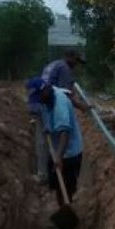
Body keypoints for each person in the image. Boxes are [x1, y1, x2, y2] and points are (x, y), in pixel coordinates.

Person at [27, 77, 83, 229]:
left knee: (66, 187)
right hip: (58, 150)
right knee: (59, 186)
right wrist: (47, 127)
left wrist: (59, 157)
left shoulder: (60, 104)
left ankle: (67, 227)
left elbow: (65, 132)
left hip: (69, 152)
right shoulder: (46, 97)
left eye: (39, 96)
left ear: (45, 90)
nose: (39, 101)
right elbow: (43, 113)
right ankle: (63, 219)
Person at [30, 49, 88, 182]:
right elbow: (66, 95)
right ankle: (52, 172)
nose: (76, 65)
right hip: (47, 105)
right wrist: (82, 107)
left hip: (41, 104)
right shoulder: (65, 68)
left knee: (43, 139)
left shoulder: (54, 64)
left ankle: (43, 172)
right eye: (76, 61)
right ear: (70, 57)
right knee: (62, 133)